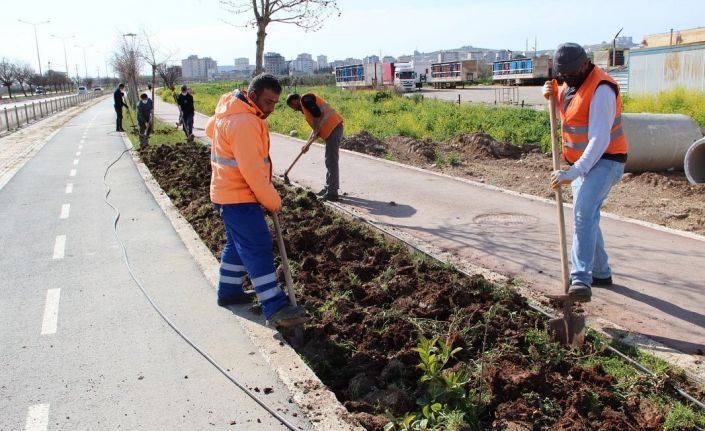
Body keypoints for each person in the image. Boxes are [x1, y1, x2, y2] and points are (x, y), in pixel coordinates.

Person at [205, 73, 309, 328]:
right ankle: (274, 307)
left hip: (224, 193)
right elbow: (252, 172)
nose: (271, 108)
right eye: (268, 101)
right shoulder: (245, 123)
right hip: (239, 196)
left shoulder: (230, 108)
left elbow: (210, 129)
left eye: (275, 102)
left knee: (237, 244)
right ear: (253, 97)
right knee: (258, 245)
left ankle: (228, 291)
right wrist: (273, 200)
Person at [543, 42, 628, 300]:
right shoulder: (569, 84)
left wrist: (574, 171)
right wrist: (550, 95)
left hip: (607, 160)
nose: (565, 78)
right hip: (581, 163)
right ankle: (601, 272)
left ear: (584, 64)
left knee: (582, 214)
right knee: (588, 215)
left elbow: (599, 140)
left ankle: (580, 281)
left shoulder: (602, 89)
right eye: (562, 74)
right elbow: (569, 117)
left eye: (569, 73)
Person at [285, 93, 344, 201]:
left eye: (292, 106)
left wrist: (316, 129)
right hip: (331, 129)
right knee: (329, 160)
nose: (293, 108)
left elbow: (317, 114)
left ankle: (332, 193)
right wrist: (307, 144)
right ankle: (328, 188)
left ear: (295, 100)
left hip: (334, 127)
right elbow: (315, 128)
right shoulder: (305, 105)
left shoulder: (306, 99)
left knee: (331, 161)